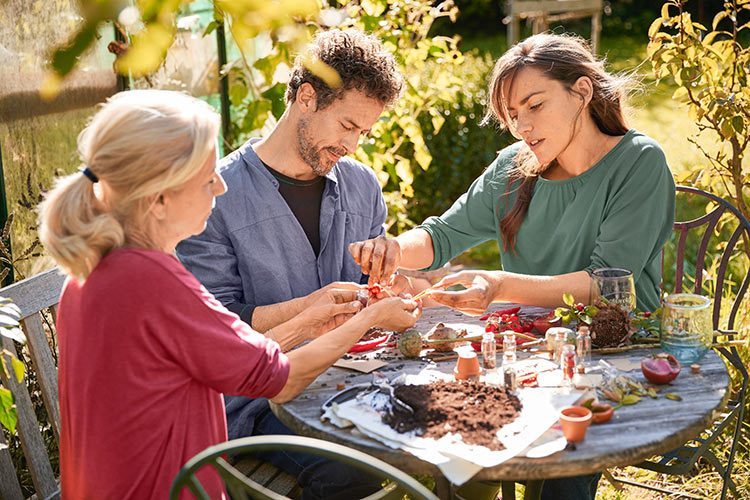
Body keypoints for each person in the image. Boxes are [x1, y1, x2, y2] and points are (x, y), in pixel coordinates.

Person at [39, 89, 419, 499]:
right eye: (207, 177)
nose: (221, 186)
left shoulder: (96, 270)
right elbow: (280, 380)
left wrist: (313, 317)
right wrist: (368, 317)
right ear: (159, 197)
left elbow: (238, 358)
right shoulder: (154, 283)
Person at [350, 33, 676, 499]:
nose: (523, 126)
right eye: (513, 115)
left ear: (582, 92)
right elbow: (443, 234)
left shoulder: (638, 163)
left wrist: (500, 283)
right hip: (525, 352)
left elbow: (607, 285)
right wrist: (392, 249)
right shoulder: (514, 167)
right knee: (463, 450)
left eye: (534, 105)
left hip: (615, 354)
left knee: (561, 472)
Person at [176, 28, 406, 491]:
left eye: (364, 131)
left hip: (350, 380)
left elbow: (378, 292)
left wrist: (387, 265)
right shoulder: (216, 195)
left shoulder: (361, 185)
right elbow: (220, 327)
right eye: (347, 126)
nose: (354, 146)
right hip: (257, 402)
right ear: (306, 97)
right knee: (353, 469)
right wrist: (309, 308)